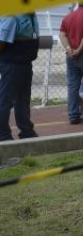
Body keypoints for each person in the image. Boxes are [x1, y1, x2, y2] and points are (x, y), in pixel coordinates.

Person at [0, 13, 40, 141]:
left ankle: (26, 131)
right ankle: (3, 134)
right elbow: (1, 41)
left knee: (23, 99)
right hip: (12, 64)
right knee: (5, 100)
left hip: (25, 63)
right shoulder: (11, 17)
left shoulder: (31, 16)